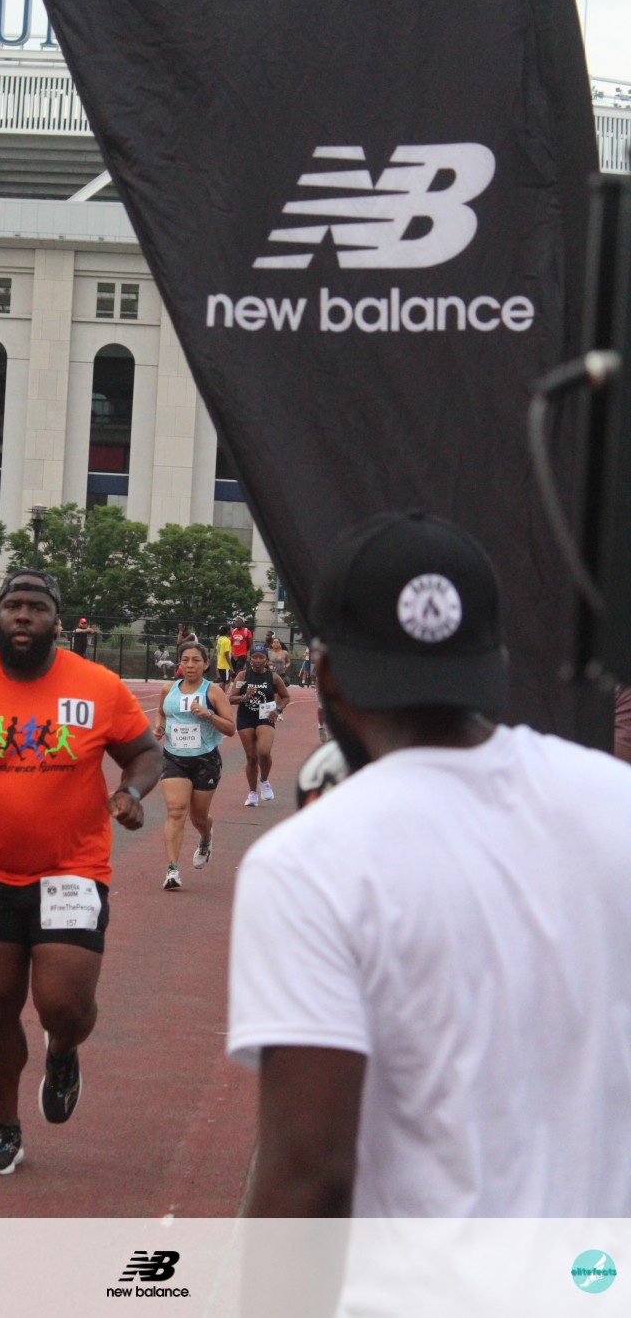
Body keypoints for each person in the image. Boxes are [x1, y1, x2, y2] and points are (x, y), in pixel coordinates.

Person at [228, 511, 631, 1220]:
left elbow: (309, 1174)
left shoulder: (307, 862)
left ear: (328, 676)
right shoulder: (615, 799)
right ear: (497, 661)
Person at [0, 568, 161, 1176]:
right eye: (12, 605)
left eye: (36, 607)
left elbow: (145, 752)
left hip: (72, 870)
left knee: (64, 1006)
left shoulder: (98, 687)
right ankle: (4, 1127)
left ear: (56, 622)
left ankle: (62, 1050)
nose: (22, 614)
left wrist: (131, 792)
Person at [151, 640, 235, 890]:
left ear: (206, 664)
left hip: (204, 759)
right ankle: (172, 870)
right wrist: (159, 728)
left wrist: (208, 714)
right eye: (185, 660)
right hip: (174, 757)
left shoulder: (213, 692)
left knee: (198, 816)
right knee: (176, 810)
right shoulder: (168, 689)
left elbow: (230, 728)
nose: (190, 665)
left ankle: (206, 837)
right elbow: (162, 714)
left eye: (196, 660)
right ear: (179, 663)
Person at [230, 643, 289, 807]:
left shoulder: (273, 677)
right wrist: (244, 697)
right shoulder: (243, 676)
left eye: (261, 657)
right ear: (250, 659)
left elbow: (285, 697)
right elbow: (230, 698)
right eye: (254, 657)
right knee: (251, 757)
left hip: (265, 716)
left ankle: (264, 780)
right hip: (246, 717)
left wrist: (278, 709)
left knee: (264, 751)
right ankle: (252, 793)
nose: (257, 661)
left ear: (266, 660)